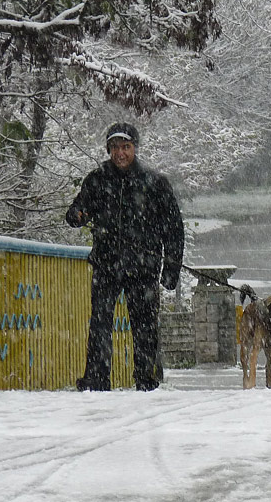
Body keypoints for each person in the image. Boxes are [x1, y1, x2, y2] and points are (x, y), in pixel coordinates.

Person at [66, 122, 184, 392]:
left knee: (145, 328)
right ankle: (96, 380)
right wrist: (78, 215)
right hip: (106, 264)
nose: (120, 153)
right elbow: (76, 211)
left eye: (126, 147)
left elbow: (174, 229)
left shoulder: (154, 183)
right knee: (100, 324)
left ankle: (146, 380)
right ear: (108, 149)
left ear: (135, 148)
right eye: (115, 147)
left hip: (144, 267)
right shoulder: (97, 180)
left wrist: (171, 269)